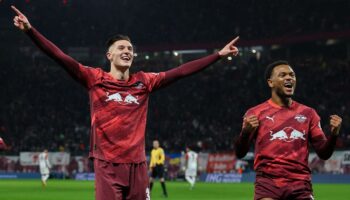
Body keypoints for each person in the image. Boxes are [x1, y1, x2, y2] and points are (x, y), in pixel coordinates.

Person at [11, 5, 239, 200]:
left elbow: (180, 72)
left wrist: (217, 55)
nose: (127, 51)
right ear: (109, 55)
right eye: (121, 48)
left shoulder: (145, 82)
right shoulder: (95, 78)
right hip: (107, 164)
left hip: (138, 165)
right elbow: (60, 57)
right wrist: (30, 31)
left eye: (130, 48)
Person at [234, 60, 342, 200]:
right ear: (270, 82)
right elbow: (240, 153)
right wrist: (245, 133)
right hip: (268, 184)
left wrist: (334, 135)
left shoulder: (309, 113)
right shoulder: (255, 113)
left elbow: (324, 153)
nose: (289, 78)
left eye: (292, 75)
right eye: (282, 75)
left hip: (300, 185)